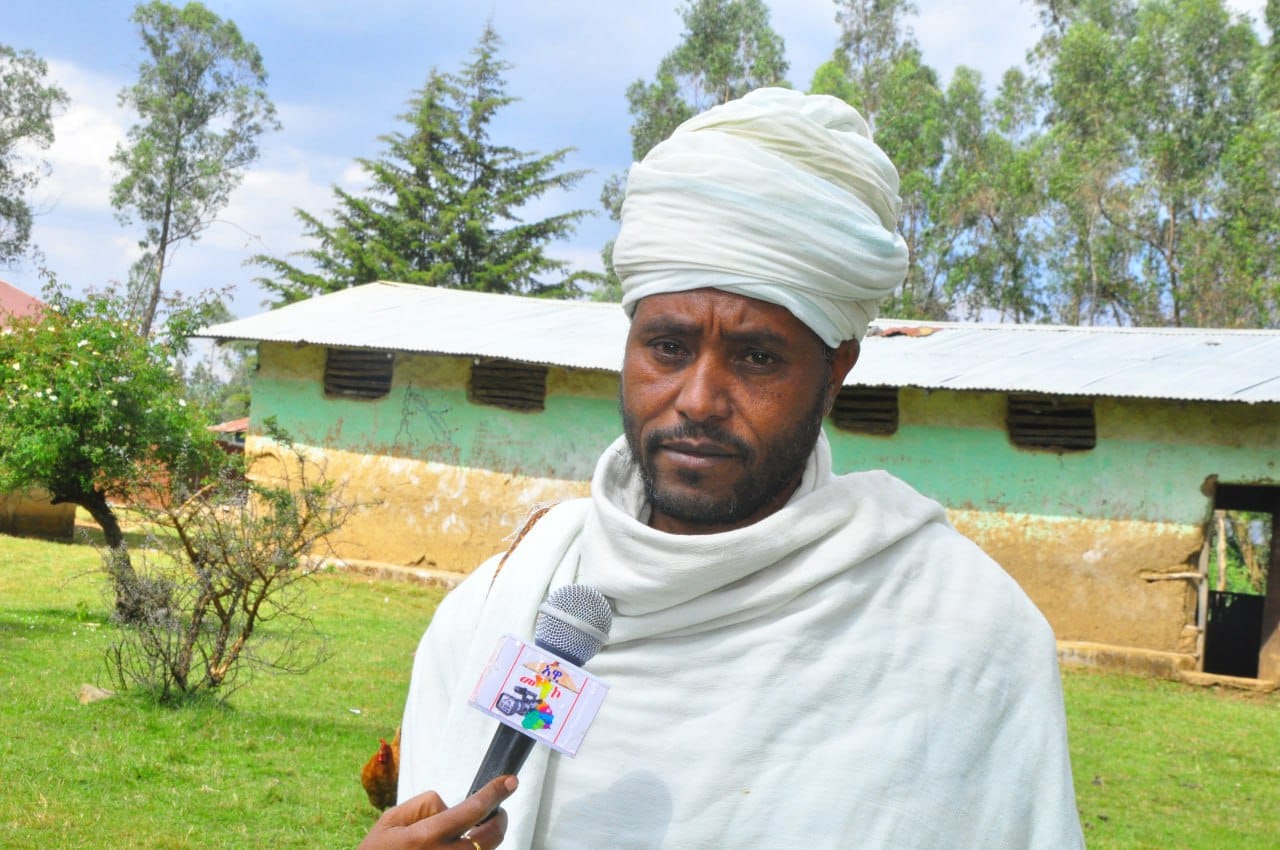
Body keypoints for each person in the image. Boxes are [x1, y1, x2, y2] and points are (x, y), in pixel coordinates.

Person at [389, 87, 1085, 849]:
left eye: (756, 357)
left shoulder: (964, 641)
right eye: (668, 347)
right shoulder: (506, 603)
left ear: (836, 370)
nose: (698, 400)